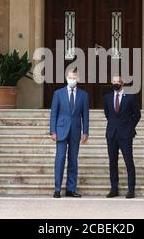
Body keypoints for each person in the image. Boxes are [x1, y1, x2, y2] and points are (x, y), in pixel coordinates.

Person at [50, 69, 89, 198]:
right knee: (60, 159)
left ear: (78, 79)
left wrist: (86, 132)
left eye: (74, 78)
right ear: (67, 78)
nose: (72, 79)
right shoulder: (58, 93)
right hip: (61, 130)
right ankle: (57, 189)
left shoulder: (83, 95)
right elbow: (53, 114)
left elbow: (85, 115)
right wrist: (53, 131)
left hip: (76, 131)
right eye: (70, 77)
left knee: (73, 160)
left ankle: (70, 189)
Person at [103, 76, 141, 199]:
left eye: (118, 82)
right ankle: (114, 189)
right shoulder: (107, 97)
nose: (116, 84)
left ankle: (131, 190)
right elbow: (108, 114)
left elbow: (137, 114)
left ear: (122, 83)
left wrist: (130, 127)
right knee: (112, 162)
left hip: (125, 134)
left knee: (128, 161)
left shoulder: (130, 97)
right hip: (112, 134)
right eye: (113, 82)